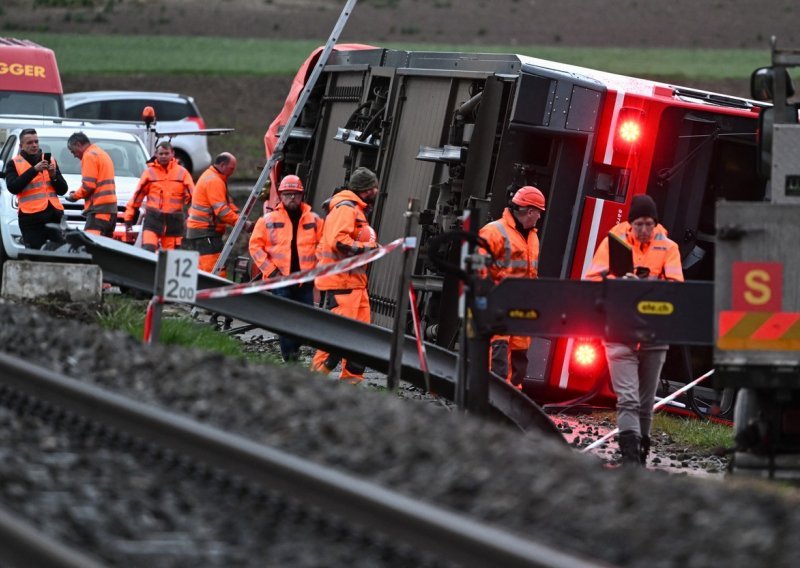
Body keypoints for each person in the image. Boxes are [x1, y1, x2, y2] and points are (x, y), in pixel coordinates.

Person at [585, 194, 684, 467]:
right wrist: (620, 282)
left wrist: (647, 286)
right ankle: (630, 457)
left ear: (656, 223)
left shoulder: (669, 248)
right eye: (638, 224)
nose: (643, 230)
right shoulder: (612, 243)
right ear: (630, 224)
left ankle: (640, 453)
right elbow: (592, 279)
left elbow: (677, 287)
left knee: (645, 401)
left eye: (648, 224)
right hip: (618, 332)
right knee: (628, 398)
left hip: (654, 335)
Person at [310, 167, 380, 383]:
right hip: (342, 284)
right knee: (336, 335)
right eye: (374, 187)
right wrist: (367, 248)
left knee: (359, 337)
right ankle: (315, 377)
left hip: (355, 284)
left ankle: (350, 382)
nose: (377, 191)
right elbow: (339, 242)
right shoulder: (346, 209)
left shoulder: (355, 209)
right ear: (367, 189)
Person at [249, 174, 323, 362]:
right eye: (288, 194)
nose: (292, 198)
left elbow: (323, 246)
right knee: (285, 319)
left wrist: (318, 270)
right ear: (281, 195)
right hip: (279, 280)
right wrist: (272, 271)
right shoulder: (267, 220)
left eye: (295, 194)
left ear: (301, 195)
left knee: (305, 319)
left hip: (304, 280)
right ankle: (289, 358)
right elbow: (255, 247)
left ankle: (294, 351)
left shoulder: (314, 220)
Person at [478, 185, 546, 389]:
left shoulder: (532, 237)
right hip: (498, 310)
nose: (540, 218)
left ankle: (509, 408)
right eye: (539, 213)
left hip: (521, 314)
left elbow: (530, 272)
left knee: (518, 366)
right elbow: (476, 269)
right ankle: (491, 405)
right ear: (531, 211)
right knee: (497, 360)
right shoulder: (493, 231)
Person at [183, 152, 252, 276]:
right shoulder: (214, 181)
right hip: (204, 232)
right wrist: (242, 223)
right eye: (231, 168)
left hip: (203, 232)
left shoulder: (215, 177)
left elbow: (226, 203)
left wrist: (238, 215)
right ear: (222, 165)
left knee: (206, 269)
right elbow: (222, 211)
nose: (233, 171)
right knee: (214, 271)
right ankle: (217, 294)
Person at [123, 141, 194, 252]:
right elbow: (137, 197)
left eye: (166, 153)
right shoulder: (149, 173)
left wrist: (191, 217)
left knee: (169, 258)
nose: (164, 156)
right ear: (156, 154)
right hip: (153, 219)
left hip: (174, 222)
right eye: (161, 154)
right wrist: (129, 217)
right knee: (148, 250)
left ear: (172, 154)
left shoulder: (183, 173)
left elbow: (194, 198)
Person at [4, 128, 68, 249]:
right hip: (31, 218)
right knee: (35, 254)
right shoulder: (14, 163)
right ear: (21, 146)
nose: (34, 145)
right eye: (29, 143)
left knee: (58, 253)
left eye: (36, 141)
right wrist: (34, 170)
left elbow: (63, 190)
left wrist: (54, 175)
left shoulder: (50, 160)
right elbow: (13, 187)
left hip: (54, 215)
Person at [64, 132, 118, 237]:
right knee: (104, 249)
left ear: (78, 144)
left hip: (99, 211)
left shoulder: (88, 156)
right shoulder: (101, 153)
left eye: (72, 151)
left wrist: (74, 196)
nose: (74, 155)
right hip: (110, 211)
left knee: (90, 247)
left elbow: (88, 186)